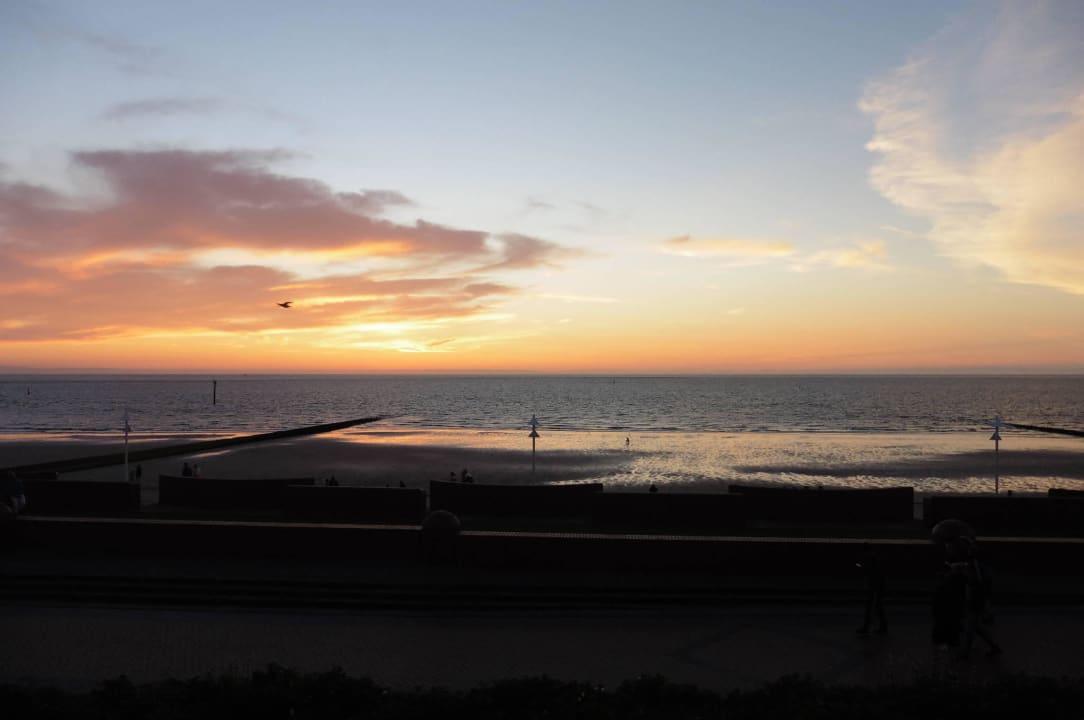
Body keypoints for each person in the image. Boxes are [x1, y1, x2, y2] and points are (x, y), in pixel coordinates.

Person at [961, 541, 1003, 658]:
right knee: (976, 627)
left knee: (971, 627)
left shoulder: (973, 565)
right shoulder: (977, 564)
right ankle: (994, 647)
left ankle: (966, 653)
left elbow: (975, 582)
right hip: (977, 599)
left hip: (975, 599)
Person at [856, 541, 888, 635]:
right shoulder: (874, 557)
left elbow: (869, 570)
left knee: (871, 607)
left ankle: (867, 627)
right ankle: (882, 626)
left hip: (875, 585)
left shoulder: (869, 557)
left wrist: (860, 567)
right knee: (877, 606)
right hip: (879, 584)